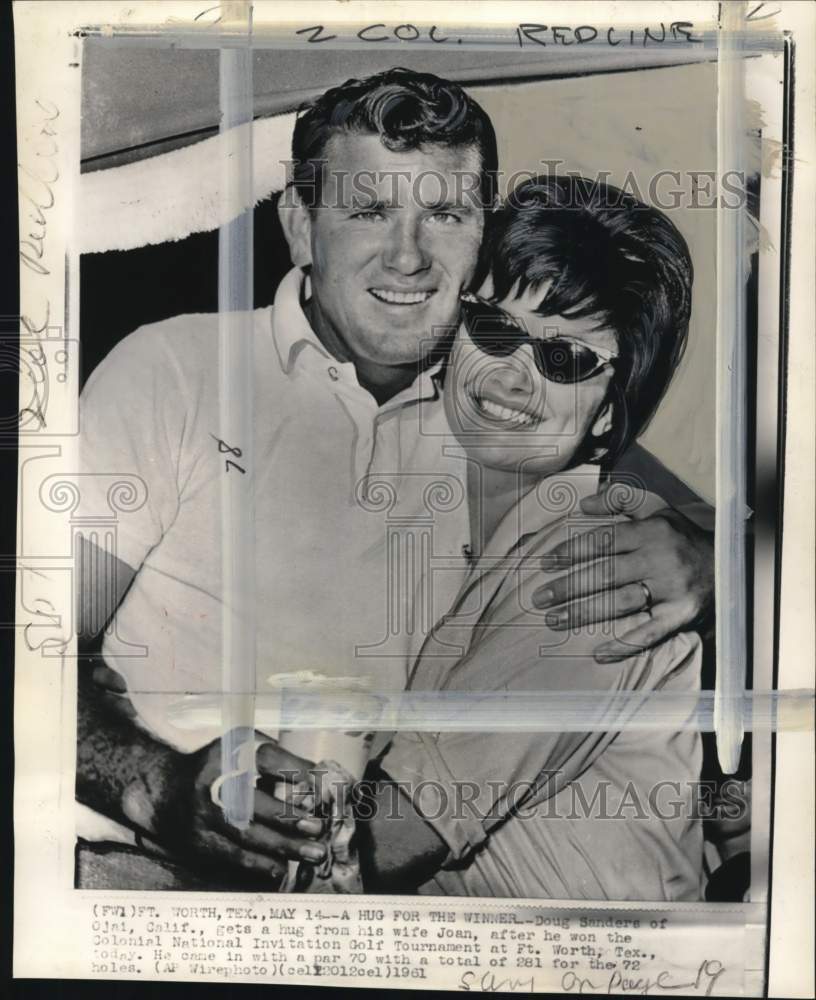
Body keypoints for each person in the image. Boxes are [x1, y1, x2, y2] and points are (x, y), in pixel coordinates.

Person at [75, 68, 714, 889]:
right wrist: (152, 786)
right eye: (370, 209)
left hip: (355, 900)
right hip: (137, 866)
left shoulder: (487, 415)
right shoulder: (172, 369)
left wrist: (714, 555)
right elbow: (30, 647)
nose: (408, 257)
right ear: (301, 226)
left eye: (444, 214)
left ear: (480, 233)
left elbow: (650, 508)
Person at [356, 175, 703, 900]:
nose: (514, 380)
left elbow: (389, 840)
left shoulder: (603, 564)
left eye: (567, 358)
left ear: (610, 413)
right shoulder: (421, 500)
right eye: (497, 330)